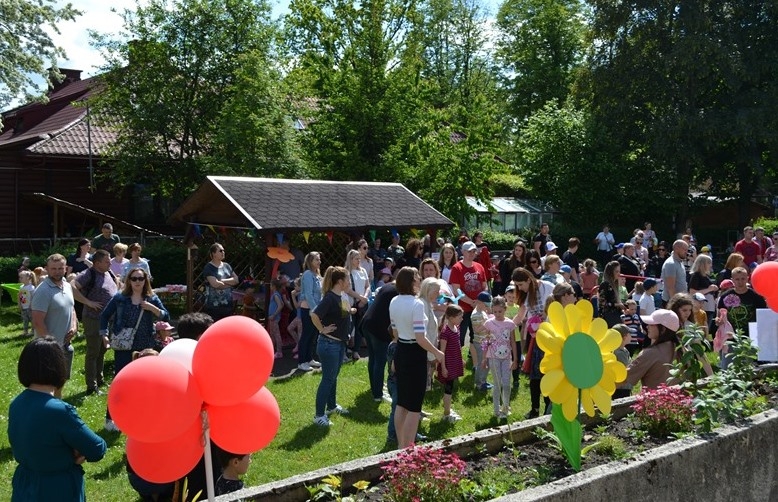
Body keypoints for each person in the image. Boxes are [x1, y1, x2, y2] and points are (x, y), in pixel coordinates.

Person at [9, 337, 107, 501]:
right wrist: (76, 451)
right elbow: (97, 448)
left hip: (24, 485)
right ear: (58, 368)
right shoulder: (60, 411)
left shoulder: (16, 403)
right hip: (57, 489)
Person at [100, 267, 169, 432]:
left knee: (146, 384)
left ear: (146, 281)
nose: (137, 282)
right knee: (120, 382)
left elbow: (165, 316)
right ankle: (111, 418)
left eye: (141, 278)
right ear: (128, 281)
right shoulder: (120, 298)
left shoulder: (151, 298)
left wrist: (151, 308)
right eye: (134, 278)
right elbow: (104, 316)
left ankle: (141, 416)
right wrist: (104, 335)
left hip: (146, 346)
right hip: (125, 347)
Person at [390, 267, 445, 449]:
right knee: (414, 407)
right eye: (418, 277)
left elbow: (396, 333)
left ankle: (400, 445)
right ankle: (408, 448)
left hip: (401, 351)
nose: (420, 279)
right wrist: (437, 352)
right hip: (415, 353)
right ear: (412, 282)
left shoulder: (394, 301)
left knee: (402, 403)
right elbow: (420, 338)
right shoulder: (417, 304)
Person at [71, 249, 119, 395]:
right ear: (97, 263)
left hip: (108, 319)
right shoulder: (89, 274)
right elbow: (72, 286)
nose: (110, 262)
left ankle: (100, 379)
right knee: (93, 351)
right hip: (93, 318)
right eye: (107, 261)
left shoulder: (108, 273)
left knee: (103, 350)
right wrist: (88, 302)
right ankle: (91, 386)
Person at [311, 266, 355, 426]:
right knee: (328, 379)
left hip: (338, 344)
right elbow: (314, 315)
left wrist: (351, 311)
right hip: (329, 344)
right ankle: (318, 416)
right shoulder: (330, 298)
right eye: (348, 279)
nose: (349, 282)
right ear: (340, 281)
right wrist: (322, 329)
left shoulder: (340, 295)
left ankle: (331, 406)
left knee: (332, 377)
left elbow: (343, 313)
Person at [31, 254, 78, 399]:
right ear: (47, 269)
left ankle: (56, 409)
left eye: (60, 268)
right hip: (47, 348)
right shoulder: (43, 291)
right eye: (53, 269)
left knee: (60, 382)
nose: (57, 271)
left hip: (65, 345)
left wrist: (74, 326)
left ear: (65, 269)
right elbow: (38, 322)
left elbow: (72, 309)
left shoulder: (67, 285)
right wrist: (51, 346)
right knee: (45, 385)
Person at [512, 267, 555, 418]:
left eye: (521, 284)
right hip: (536, 338)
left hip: (550, 337)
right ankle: (535, 409)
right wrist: (504, 326)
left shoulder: (548, 288)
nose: (519, 288)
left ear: (529, 280)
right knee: (535, 375)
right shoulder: (525, 294)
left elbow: (556, 308)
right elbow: (520, 315)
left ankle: (549, 407)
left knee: (546, 373)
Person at [715, 266, 767, 366]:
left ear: (747, 278)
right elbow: (720, 315)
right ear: (732, 280)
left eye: (743, 278)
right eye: (737, 279)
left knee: (748, 367)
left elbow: (762, 316)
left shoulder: (756, 297)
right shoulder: (726, 296)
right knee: (727, 367)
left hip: (750, 337)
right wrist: (718, 320)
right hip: (730, 337)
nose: (740, 282)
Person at [480, 296, 518, 420]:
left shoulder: (510, 324)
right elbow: (486, 341)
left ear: (505, 309)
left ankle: (505, 407)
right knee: (497, 384)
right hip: (493, 357)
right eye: (495, 311)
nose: (497, 314)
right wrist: (485, 358)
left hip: (506, 357)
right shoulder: (489, 323)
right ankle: (496, 410)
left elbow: (513, 341)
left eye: (500, 311)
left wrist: (515, 359)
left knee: (506, 384)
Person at [623, 309, 681, 390]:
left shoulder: (650, 353)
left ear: (663, 329)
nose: (647, 326)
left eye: (651, 324)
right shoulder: (683, 350)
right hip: (680, 400)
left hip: (654, 401)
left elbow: (623, 377)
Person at [448, 240, 489, 352]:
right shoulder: (457, 268)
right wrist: (471, 302)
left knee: (477, 333)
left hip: (478, 308)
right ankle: (458, 356)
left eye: (474, 251)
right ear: (463, 252)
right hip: (463, 308)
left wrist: (481, 301)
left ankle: (475, 355)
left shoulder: (479, 267)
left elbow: (484, 286)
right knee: (460, 335)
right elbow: (456, 290)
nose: (472, 254)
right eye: (469, 251)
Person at [437, 304, 464, 422]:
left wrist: (461, 359)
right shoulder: (445, 332)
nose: (462, 319)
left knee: (451, 388)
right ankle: (446, 414)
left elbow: (457, 346)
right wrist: (443, 368)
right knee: (448, 388)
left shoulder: (456, 328)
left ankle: (448, 410)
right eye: (459, 317)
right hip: (448, 364)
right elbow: (441, 352)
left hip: (454, 362)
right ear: (452, 318)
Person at [298, 251, 323, 372]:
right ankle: (302, 361)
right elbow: (308, 294)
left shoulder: (317, 275)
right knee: (306, 335)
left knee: (313, 335)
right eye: (316, 260)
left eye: (319, 259)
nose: (319, 262)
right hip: (309, 309)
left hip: (314, 309)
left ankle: (309, 359)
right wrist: (315, 310)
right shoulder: (308, 274)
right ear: (310, 262)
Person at [345, 249, 370, 361]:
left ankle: (356, 350)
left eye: (359, 258)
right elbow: (347, 289)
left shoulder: (363, 271)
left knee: (360, 328)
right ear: (351, 260)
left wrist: (364, 297)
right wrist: (360, 298)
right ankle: (344, 351)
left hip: (363, 303)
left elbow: (368, 286)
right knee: (348, 327)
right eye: (356, 258)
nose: (359, 260)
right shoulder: (347, 272)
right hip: (351, 303)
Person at [202, 243, 238, 321]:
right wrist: (230, 283)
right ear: (213, 254)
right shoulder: (209, 267)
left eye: (224, 251)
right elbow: (215, 284)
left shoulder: (227, 266)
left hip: (228, 305)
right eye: (220, 251)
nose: (223, 252)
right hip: (213, 307)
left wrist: (222, 281)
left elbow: (236, 280)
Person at [419, 277, 442, 392]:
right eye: (436, 291)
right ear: (428, 290)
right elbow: (424, 332)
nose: (438, 294)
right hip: (424, 350)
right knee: (420, 384)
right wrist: (432, 352)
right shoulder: (422, 305)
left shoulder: (428, 303)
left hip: (429, 349)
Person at [688, 254, 718, 324]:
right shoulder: (696, 276)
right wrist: (709, 289)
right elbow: (692, 292)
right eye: (708, 263)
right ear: (702, 264)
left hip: (709, 307)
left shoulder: (706, 276)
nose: (710, 265)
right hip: (702, 307)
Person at [661, 239, 689, 306]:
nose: (686, 252)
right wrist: (674, 305)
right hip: (672, 302)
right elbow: (671, 287)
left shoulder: (680, 262)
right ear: (676, 248)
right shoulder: (671, 264)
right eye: (684, 249)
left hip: (680, 301)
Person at [598, 261, 623, 327]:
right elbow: (602, 303)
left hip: (615, 315)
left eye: (619, 271)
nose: (618, 274)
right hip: (607, 318)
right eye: (616, 272)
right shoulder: (605, 285)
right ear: (610, 272)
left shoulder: (615, 285)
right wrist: (617, 305)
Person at [611, 324, 632, 399]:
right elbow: (625, 370)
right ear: (624, 336)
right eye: (630, 334)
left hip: (623, 387)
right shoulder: (619, 353)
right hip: (621, 388)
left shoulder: (624, 350)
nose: (631, 336)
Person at [267, 278, 285, 359]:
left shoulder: (275, 295)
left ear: (273, 286)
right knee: (273, 334)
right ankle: (273, 350)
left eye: (271, 285)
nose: (270, 287)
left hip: (274, 318)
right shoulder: (275, 294)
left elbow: (280, 305)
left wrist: (274, 315)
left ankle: (279, 352)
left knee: (276, 334)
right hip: (272, 318)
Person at [18, 269, 37, 336]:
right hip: (24, 306)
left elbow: (33, 297)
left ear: (28, 278)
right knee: (25, 319)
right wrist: (19, 303)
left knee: (32, 319)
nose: (20, 279)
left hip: (29, 307)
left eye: (21, 277)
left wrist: (31, 305)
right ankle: (25, 331)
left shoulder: (31, 288)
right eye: (19, 277)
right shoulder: (21, 287)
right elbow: (19, 296)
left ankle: (33, 331)